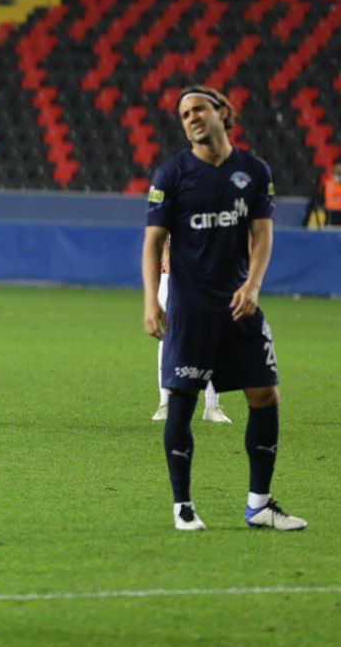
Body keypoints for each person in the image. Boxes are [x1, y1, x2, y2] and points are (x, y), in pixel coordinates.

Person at [142, 85, 305, 532]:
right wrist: (150, 302)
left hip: (239, 306)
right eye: (184, 115)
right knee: (181, 401)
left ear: (223, 112)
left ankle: (259, 505)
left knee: (265, 395)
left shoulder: (252, 170)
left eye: (199, 109)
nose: (192, 118)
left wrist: (253, 284)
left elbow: (263, 234)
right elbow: (153, 242)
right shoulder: (171, 174)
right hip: (191, 309)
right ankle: (183, 507)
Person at [151, 239, 230, 423]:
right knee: (169, 337)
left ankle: (212, 406)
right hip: (172, 275)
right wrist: (167, 260)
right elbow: (160, 237)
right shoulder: (173, 210)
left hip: (206, 274)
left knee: (211, 337)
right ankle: (165, 403)